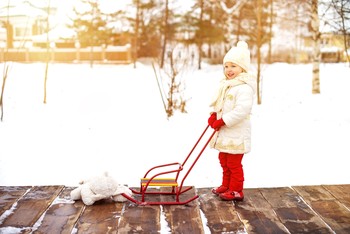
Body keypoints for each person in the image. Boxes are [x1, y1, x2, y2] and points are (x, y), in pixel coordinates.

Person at [208, 41, 256, 201]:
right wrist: (214, 114)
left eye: (233, 66)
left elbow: (241, 111)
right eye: (226, 66)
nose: (229, 70)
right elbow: (221, 104)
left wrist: (223, 121)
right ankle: (226, 185)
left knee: (234, 163)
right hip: (226, 133)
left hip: (236, 133)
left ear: (242, 68)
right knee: (224, 160)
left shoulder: (244, 87)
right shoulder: (227, 85)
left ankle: (236, 190)